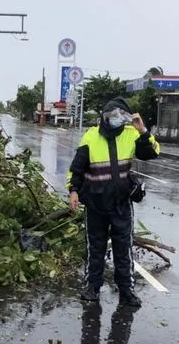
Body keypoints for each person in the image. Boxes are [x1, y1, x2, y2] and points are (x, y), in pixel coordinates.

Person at [66, 97, 160, 306]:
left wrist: (143, 131)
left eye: (120, 116)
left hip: (121, 204)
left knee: (123, 248)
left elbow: (151, 153)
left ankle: (126, 290)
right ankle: (92, 287)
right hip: (95, 204)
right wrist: (73, 191)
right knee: (95, 247)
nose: (115, 120)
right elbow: (77, 168)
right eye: (111, 116)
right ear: (104, 117)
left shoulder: (130, 134)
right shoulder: (91, 136)